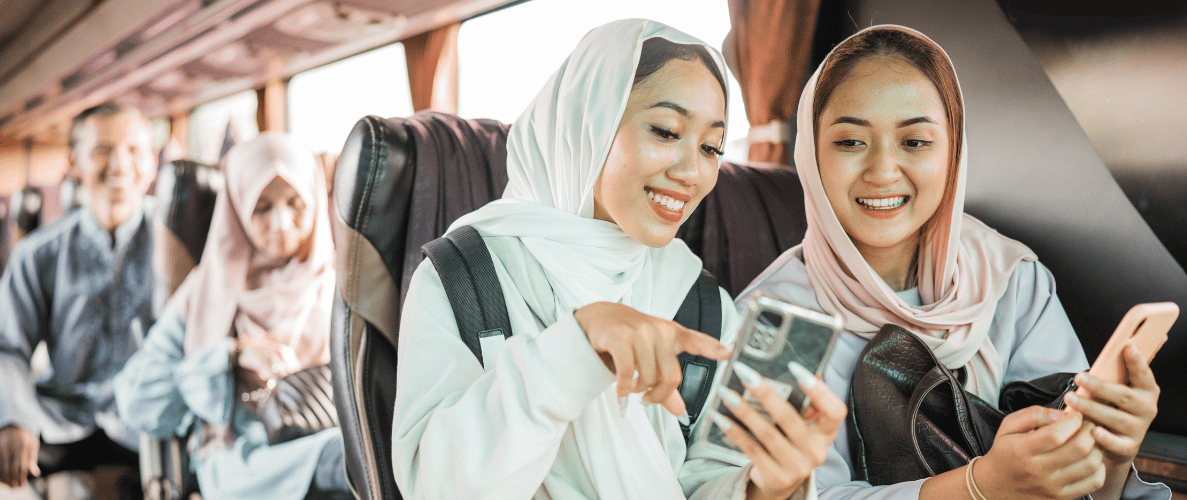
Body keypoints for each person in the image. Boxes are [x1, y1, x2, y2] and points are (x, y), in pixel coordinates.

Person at [391, 18, 847, 500]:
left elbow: (708, 480)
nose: (694, 171)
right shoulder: (462, 279)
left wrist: (766, 487)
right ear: (589, 123)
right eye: (667, 131)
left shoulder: (702, 304)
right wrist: (575, 348)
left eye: (711, 147)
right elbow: (434, 487)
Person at [737, 25, 1170, 500]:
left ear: (954, 153)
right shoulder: (775, 321)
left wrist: (1110, 455)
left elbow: (1085, 484)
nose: (882, 170)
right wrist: (978, 486)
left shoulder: (1010, 280)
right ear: (810, 154)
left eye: (915, 142)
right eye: (849, 142)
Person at [113, 133, 348, 500]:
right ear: (237, 208)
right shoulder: (203, 292)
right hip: (240, 462)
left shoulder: (341, 286)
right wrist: (230, 355)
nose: (282, 223)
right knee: (345, 461)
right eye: (262, 207)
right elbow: (135, 402)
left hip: (324, 439)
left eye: (295, 203)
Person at [0, 102, 158, 495]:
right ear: (74, 161)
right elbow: (9, 347)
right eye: (103, 150)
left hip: (148, 420)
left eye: (135, 151)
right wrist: (13, 418)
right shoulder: (39, 253)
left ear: (153, 161)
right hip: (61, 417)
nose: (120, 165)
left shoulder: (180, 246)